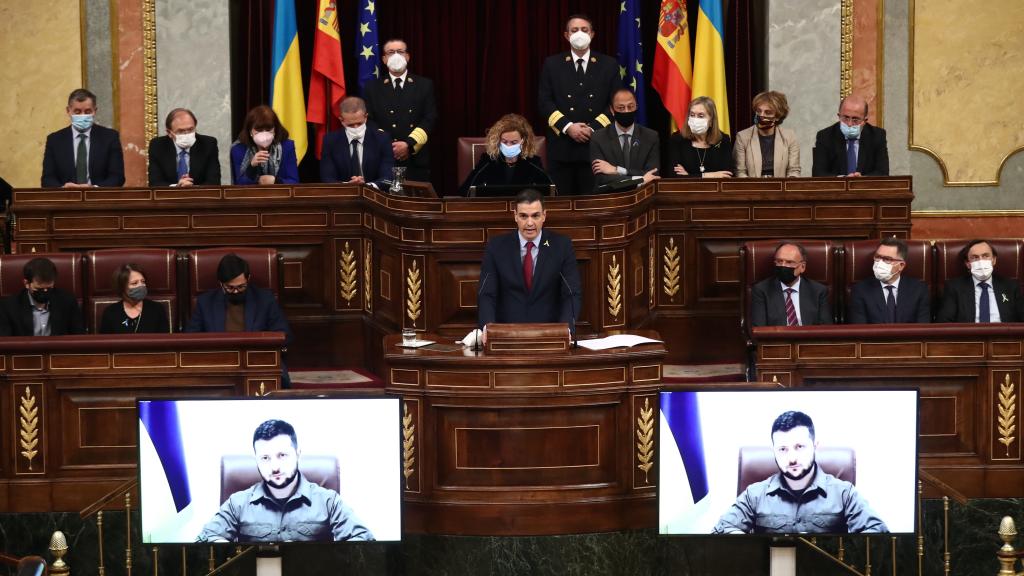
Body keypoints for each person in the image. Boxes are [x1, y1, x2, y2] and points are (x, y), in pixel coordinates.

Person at [196, 419, 374, 542]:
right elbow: (203, 542)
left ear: (297, 454)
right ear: (256, 460)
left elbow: (364, 541)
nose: (274, 467)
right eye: (265, 458)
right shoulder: (238, 503)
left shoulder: (328, 501)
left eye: (282, 455)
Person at [712, 410, 889, 534]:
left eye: (799, 447)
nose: (792, 458)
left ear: (815, 447)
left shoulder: (843, 492)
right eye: (783, 449)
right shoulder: (755, 494)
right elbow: (720, 532)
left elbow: (878, 534)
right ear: (773, 451)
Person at [477, 188, 582, 337]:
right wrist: (488, 328)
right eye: (524, 216)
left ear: (544, 216)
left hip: (549, 335)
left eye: (535, 216)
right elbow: (487, 294)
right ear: (515, 216)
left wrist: (566, 329)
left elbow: (571, 294)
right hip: (507, 335)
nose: (530, 223)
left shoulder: (562, 246)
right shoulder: (496, 247)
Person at [538, 14, 621, 195]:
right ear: (566, 35)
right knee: (562, 207)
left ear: (592, 34)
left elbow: (616, 104)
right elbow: (545, 102)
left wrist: (591, 129)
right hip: (561, 148)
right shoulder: (552, 64)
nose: (579, 34)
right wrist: (568, 127)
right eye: (574, 30)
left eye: (584, 30)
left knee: (593, 208)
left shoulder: (609, 65)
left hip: (596, 148)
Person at [362, 38, 438, 183]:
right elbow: (368, 121)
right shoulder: (372, 88)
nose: (396, 55)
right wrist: (389, 146)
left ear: (407, 57)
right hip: (383, 157)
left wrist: (408, 145)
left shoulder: (424, 85)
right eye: (391, 52)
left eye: (400, 52)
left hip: (415, 158)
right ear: (384, 59)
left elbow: (430, 118)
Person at [185, 253, 292, 341]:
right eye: (230, 287)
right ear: (221, 283)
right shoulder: (205, 303)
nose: (236, 291)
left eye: (241, 287)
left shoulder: (265, 299)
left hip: (256, 358)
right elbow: (191, 338)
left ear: (248, 278)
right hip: (219, 359)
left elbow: (283, 335)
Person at [41, 88, 125, 188]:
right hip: (66, 199)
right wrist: (63, 189)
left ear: (95, 111)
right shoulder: (55, 140)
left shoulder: (110, 137)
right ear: (68, 111)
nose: (82, 115)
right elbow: (47, 179)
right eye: (77, 111)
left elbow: (117, 177)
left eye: (87, 111)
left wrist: (94, 189)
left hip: (99, 200)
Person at [459, 113, 552, 196]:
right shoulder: (488, 161)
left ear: (523, 141)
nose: (508, 145)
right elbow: (465, 191)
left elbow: (552, 191)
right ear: (498, 141)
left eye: (514, 142)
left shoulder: (533, 162)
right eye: (504, 141)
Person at [589, 88, 660, 191]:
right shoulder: (598, 138)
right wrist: (641, 179)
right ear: (612, 110)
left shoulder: (651, 136)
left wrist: (617, 170)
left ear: (636, 107)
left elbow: (653, 174)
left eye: (630, 107)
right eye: (621, 108)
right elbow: (603, 179)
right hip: (611, 199)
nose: (626, 111)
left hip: (642, 198)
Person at [936, 239, 1024, 323]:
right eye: (975, 257)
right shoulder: (954, 287)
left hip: (1004, 337)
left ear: (994, 260)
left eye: (986, 256)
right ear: (968, 264)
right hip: (969, 337)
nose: (981, 261)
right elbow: (943, 322)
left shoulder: (1010, 286)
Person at [848, 238, 931, 324]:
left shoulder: (919, 290)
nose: (880, 263)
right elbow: (860, 330)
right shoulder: (860, 290)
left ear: (901, 265)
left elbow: (922, 328)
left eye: (887, 259)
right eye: (878, 257)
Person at [750, 242, 832, 327]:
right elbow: (759, 329)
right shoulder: (762, 290)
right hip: (776, 339)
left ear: (802, 267)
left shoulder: (818, 291)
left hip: (809, 339)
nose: (783, 266)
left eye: (789, 262)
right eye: (779, 261)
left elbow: (825, 328)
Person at [321, 96, 394, 188]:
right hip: (343, 197)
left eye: (359, 123)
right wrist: (349, 186)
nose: (356, 128)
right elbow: (327, 178)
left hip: (375, 196)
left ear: (366, 117)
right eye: (351, 125)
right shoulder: (330, 140)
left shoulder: (382, 139)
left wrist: (368, 187)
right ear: (341, 121)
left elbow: (388, 178)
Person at [0, 257, 85, 336]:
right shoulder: (9, 306)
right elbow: (6, 342)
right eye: (39, 288)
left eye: (49, 288)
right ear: (26, 284)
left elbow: (78, 336)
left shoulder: (67, 302)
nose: (44, 292)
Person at [812, 94, 889, 177]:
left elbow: (882, 172)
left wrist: (862, 180)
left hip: (866, 188)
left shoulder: (877, 136)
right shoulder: (825, 136)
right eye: (845, 117)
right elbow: (818, 173)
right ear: (839, 116)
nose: (849, 124)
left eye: (855, 119)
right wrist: (844, 180)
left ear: (865, 120)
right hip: (836, 189)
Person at [733, 91, 801, 177]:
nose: (761, 115)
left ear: (777, 117)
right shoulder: (742, 137)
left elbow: (794, 171)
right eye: (759, 111)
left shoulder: (790, 136)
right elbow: (740, 172)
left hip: (781, 188)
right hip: (752, 187)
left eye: (768, 112)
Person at [148, 108, 221, 187]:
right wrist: (177, 187)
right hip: (169, 197)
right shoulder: (157, 146)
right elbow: (155, 183)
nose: (187, 134)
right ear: (169, 133)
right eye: (180, 131)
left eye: (190, 129)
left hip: (200, 197)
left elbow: (214, 182)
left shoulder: (208, 144)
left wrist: (192, 188)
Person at [229, 105, 299, 185]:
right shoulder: (238, 149)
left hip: (279, 195)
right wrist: (252, 167)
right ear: (250, 131)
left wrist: (275, 181)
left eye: (268, 130)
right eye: (259, 130)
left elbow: (294, 181)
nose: (264, 134)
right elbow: (239, 183)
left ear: (275, 130)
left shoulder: (286, 146)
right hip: (251, 196)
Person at [668, 97, 734, 178]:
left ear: (711, 121)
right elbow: (674, 176)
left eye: (701, 116)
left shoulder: (723, 140)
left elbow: (727, 175)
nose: (695, 119)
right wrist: (710, 175)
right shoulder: (678, 139)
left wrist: (689, 176)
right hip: (685, 190)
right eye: (692, 115)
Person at [99, 263, 171, 334]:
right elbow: (105, 342)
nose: (141, 286)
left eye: (143, 281)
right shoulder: (111, 312)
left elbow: (165, 341)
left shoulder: (157, 309)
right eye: (134, 283)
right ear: (122, 288)